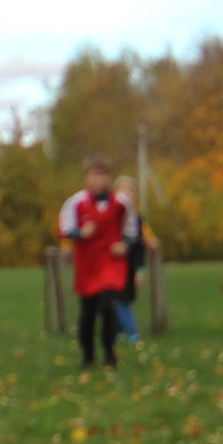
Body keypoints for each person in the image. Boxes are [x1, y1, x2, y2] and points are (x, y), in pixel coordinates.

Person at [59, 156, 135, 370]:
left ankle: (110, 353)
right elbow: (65, 229)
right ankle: (88, 353)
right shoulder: (76, 202)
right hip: (87, 265)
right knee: (88, 313)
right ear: (87, 178)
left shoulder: (121, 202)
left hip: (111, 263)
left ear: (109, 178)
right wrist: (80, 233)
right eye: (95, 175)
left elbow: (131, 229)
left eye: (103, 175)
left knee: (107, 305)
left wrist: (125, 244)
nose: (99, 180)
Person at [112, 171, 148, 345]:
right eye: (123, 190)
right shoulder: (109, 215)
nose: (127, 194)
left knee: (123, 299)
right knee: (116, 299)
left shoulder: (136, 218)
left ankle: (128, 332)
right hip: (111, 265)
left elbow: (140, 245)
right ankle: (128, 332)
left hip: (129, 266)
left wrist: (141, 269)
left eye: (131, 191)